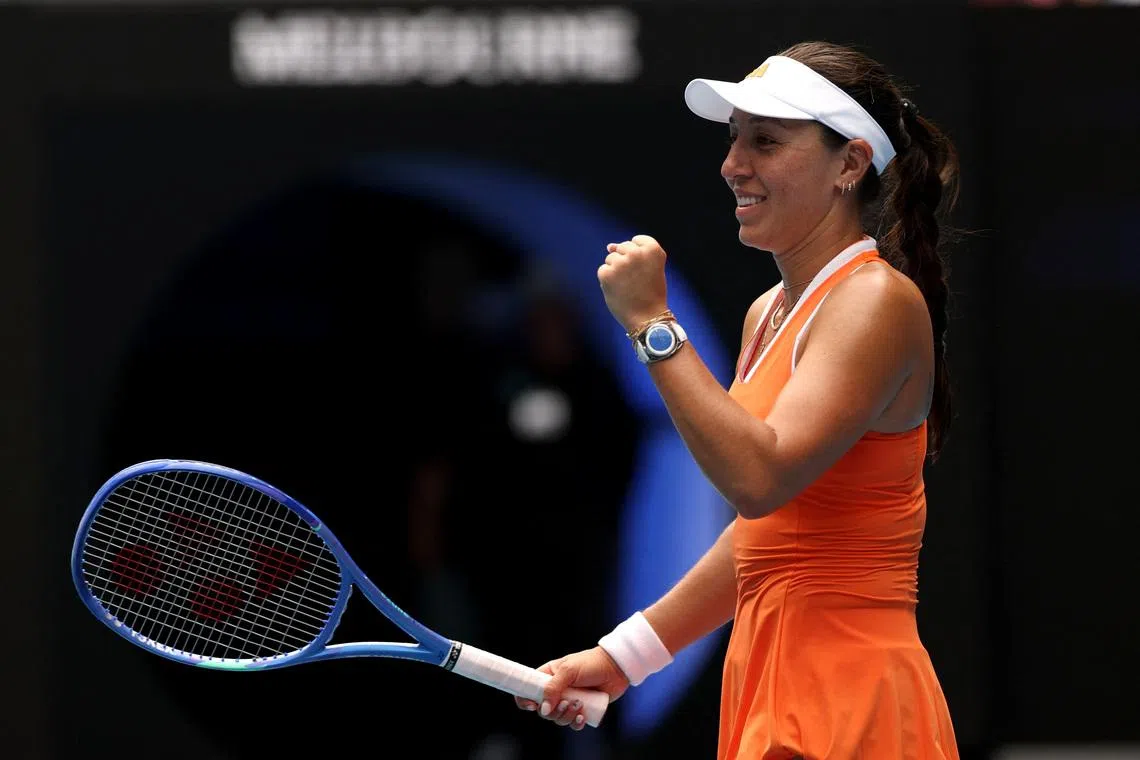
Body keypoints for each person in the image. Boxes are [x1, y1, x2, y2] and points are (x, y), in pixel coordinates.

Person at [514, 40, 961, 759]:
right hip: (768, 686)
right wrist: (625, 657)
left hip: (853, 699)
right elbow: (771, 536)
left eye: (765, 141)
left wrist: (652, 324)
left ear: (849, 164)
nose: (733, 165)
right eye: (733, 140)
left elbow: (758, 480)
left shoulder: (874, 300)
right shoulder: (769, 313)